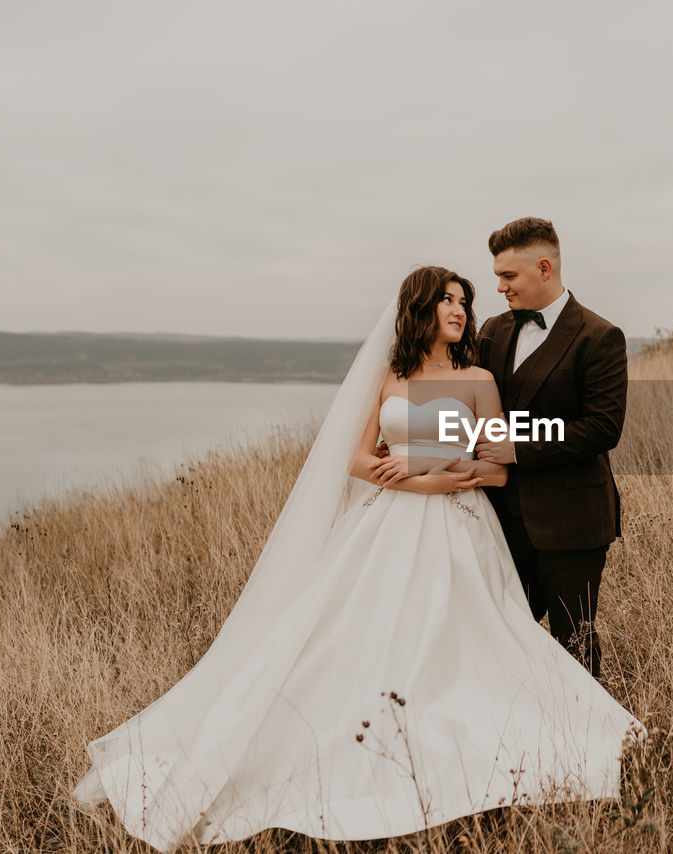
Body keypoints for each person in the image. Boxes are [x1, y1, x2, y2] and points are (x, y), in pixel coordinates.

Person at [71, 265, 641, 853]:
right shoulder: (390, 378)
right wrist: (406, 480)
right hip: (387, 524)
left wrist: (433, 475)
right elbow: (356, 457)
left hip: (459, 522)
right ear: (419, 309)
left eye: (463, 302)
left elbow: (498, 465)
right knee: (352, 634)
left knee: (467, 636)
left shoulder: (477, 379)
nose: (459, 310)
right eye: (446, 300)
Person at [472, 217, 626, 678]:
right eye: (497, 275)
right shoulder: (492, 332)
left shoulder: (599, 337)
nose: (499, 287)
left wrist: (517, 449)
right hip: (497, 518)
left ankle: (589, 744)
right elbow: (467, 405)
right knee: (495, 641)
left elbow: (601, 428)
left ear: (544, 267)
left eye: (508, 276)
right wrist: (407, 443)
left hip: (572, 524)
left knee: (573, 650)